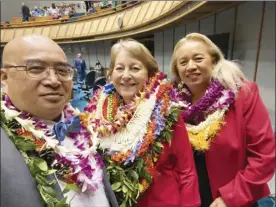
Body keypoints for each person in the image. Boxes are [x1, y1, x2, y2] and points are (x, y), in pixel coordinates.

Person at [0, 34, 119, 207]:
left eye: (62, 71)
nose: (54, 81)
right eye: (36, 68)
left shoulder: (85, 129)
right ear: (4, 78)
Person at [83, 39, 201, 207]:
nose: (125, 75)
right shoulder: (96, 113)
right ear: (110, 74)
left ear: (149, 73)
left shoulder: (168, 112)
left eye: (135, 68)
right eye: (119, 68)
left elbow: (186, 171)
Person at [171, 32, 275, 207]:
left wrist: (230, 197)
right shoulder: (171, 105)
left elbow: (263, 157)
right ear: (177, 71)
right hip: (189, 199)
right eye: (183, 62)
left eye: (198, 58)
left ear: (214, 60)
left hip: (233, 200)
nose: (190, 66)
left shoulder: (242, 94)